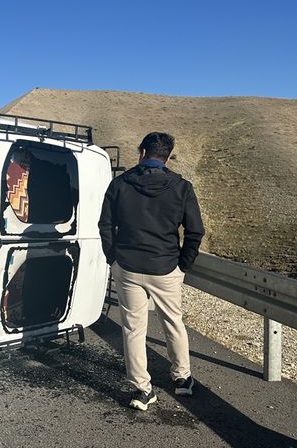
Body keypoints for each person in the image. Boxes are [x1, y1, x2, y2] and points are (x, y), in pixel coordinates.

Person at [98, 132, 205, 411]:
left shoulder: (119, 184)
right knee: (173, 322)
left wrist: (113, 259)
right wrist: (183, 264)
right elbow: (195, 231)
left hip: (129, 266)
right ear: (167, 156)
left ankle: (142, 391)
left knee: (133, 329)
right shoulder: (182, 187)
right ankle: (182, 379)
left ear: (141, 152)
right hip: (166, 266)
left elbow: (105, 225)